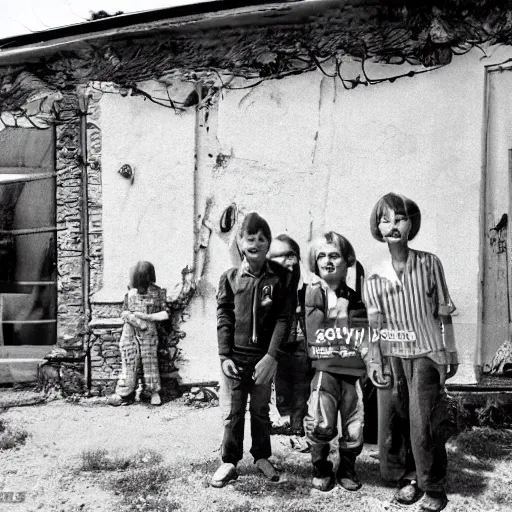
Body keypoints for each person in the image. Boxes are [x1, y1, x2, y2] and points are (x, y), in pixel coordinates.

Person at [363, 192, 458, 512]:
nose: (392, 225)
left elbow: (443, 312)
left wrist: (451, 352)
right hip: (392, 354)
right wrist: (375, 360)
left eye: (400, 218)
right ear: (377, 226)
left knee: (425, 423)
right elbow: (374, 323)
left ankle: (433, 486)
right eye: (385, 219)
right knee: (396, 422)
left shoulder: (430, 263)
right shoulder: (374, 274)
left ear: (410, 224)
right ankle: (410, 478)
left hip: (427, 353)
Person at [211, 212, 295, 488]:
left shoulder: (279, 277)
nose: (255, 243)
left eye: (261, 239)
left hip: (263, 360)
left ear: (268, 243)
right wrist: (224, 356)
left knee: (260, 410)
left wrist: (272, 356)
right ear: (240, 241)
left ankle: (261, 456)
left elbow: (284, 319)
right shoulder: (231, 278)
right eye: (250, 238)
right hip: (236, 359)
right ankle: (229, 461)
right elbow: (224, 316)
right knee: (234, 411)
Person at [303, 231, 367, 492]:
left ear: (347, 261)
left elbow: (363, 334)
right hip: (324, 370)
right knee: (321, 421)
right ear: (314, 263)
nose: (328, 261)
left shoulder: (358, 297)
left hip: (351, 372)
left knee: (354, 425)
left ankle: (348, 468)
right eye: (322, 256)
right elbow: (314, 327)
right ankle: (321, 467)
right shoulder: (311, 293)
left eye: (335, 255)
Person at [267, 234, 312, 452]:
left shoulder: (308, 281)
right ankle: (284, 420)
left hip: (303, 339)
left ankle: (297, 428)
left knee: (301, 385)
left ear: (296, 257)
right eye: (276, 257)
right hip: (280, 341)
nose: (283, 261)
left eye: (288, 255)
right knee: (281, 382)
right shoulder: (271, 281)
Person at [108, 261, 170, 407]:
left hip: (149, 330)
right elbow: (123, 311)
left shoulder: (158, 292)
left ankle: (152, 392)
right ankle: (125, 393)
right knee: (129, 360)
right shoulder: (130, 292)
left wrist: (148, 318)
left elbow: (166, 314)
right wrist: (132, 318)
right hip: (130, 329)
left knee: (150, 362)